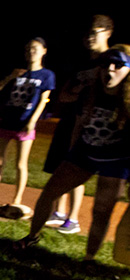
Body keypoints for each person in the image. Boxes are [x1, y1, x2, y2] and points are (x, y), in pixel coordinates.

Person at [15, 47, 130, 261]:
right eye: (105, 64)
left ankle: (89, 258)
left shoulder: (128, 100)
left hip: (116, 160)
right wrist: (72, 153)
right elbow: (79, 123)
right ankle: (31, 237)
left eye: (118, 65)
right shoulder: (91, 92)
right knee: (48, 193)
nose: (110, 70)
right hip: (84, 152)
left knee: (102, 209)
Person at [42, 15, 114, 234]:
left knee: (77, 167)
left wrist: (85, 94)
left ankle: (72, 220)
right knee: (62, 165)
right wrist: (81, 93)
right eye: (87, 33)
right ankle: (59, 213)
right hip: (70, 119)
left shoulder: (112, 61)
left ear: (108, 32)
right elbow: (64, 95)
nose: (89, 37)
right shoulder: (82, 63)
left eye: (95, 32)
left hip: (93, 125)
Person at [0, 38, 56, 207]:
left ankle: (17, 200)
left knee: (21, 163)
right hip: (8, 120)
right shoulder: (18, 72)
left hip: (25, 123)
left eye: (35, 48)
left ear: (44, 51)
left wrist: (32, 121)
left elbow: (44, 100)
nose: (31, 51)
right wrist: (10, 77)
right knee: (0, 161)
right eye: (29, 49)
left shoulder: (47, 75)